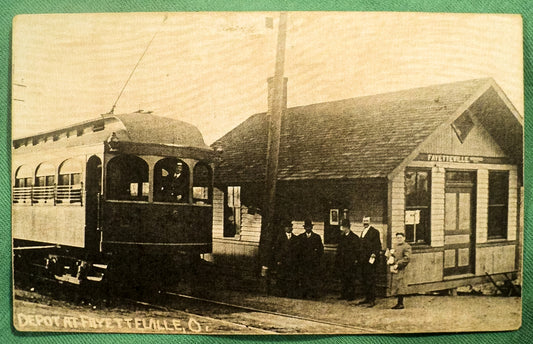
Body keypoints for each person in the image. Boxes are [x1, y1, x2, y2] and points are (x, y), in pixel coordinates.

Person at [357, 216, 382, 307]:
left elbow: (378, 245)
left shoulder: (374, 232)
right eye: (364, 221)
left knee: (370, 279)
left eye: (367, 221)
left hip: (370, 259)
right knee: (364, 279)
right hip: (363, 259)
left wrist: (374, 253)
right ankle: (367, 298)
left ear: (370, 222)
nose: (365, 223)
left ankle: (372, 299)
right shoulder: (363, 231)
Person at [335, 219, 361, 301]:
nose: (341, 228)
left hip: (350, 262)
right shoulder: (341, 237)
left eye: (342, 226)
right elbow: (339, 249)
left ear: (347, 227)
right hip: (342, 261)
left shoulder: (354, 237)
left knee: (351, 279)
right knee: (343, 278)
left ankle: (351, 295)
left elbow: (357, 250)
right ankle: (344, 294)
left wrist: (355, 260)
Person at [273, 219, 300, 298]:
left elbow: (297, 251)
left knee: (291, 277)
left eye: (290, 227)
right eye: (287, 227)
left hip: (292, 261)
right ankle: (281, 292)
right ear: (284, 229)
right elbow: (277, 250)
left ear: (292, 228)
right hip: (282, 261)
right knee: (282, 276)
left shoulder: (295, 238)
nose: (289, 228)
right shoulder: (280, 238)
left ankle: (290, 293)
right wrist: (278, 260)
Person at [298, 219, 324, 299]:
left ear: (311, 228)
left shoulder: (316, 237)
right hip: (303, 261)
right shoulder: (300, 237)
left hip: (313, 262)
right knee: (304, 278)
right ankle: (304, 294)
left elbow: (320, 250)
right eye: (306, 227)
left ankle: (313, 294)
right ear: (304, 228)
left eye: (309, 227)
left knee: (313, 278)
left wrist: (316, 258)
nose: (308, 228)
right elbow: (298, 250)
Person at [386, 232, 412, 309]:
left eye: (400, 237)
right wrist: (390, 258)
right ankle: (398, 302)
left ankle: (400, 303)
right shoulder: (395, 246)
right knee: (396, 285)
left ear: (404, 238)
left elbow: (406, 258)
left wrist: (398, 264)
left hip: (402, 268)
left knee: (401, 285)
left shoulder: (407, 247)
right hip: (395, 268)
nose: (399, 239)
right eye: (397, 238)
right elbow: (393, 254)